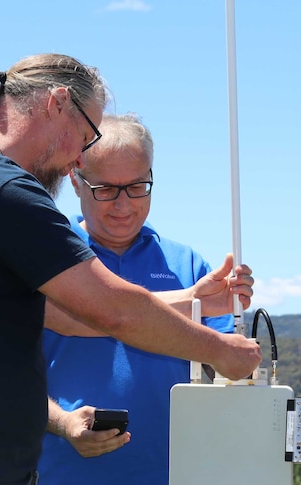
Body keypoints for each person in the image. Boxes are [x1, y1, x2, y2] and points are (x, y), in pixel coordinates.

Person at [0, 54, 261, 485]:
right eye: (87, 137)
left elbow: (67, 317)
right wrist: (221, 350)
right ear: (56, 103)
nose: (78, 156)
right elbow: (110, 310)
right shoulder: (1, 189)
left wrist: (192, 302)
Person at [36, 113, 245, 484]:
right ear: (75, 179)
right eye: (106, 190)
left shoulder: (189, 264)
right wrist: (64, 424)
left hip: (175, 474)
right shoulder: (46, 259)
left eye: (137, 187)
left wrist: (240, 332)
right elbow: (5, 380)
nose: (123, 205)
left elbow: (233, 369)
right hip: (63, 474)